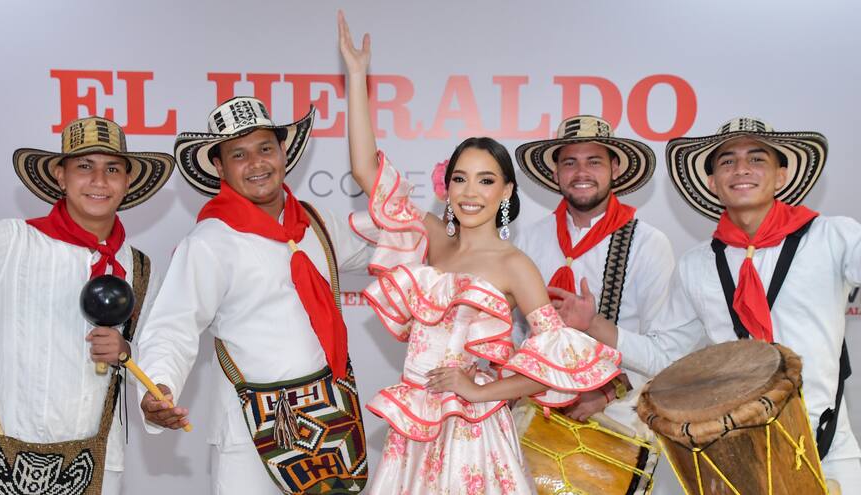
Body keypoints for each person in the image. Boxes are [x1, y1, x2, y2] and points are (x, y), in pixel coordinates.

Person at [339, 12, 622, 493]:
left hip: (475, 435)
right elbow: (368, 172)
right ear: (446, 188)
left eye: (486, 180)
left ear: (506, 191)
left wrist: (480, 389)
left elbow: (552, 367)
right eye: (460, 179)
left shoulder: (516, 265)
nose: (471, 192)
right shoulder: (433, 237)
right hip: (415, 426)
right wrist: (357, 78)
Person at [567, 117, 861, 488]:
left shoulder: (834, 237)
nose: (741, 169)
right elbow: (665, 356)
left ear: (781, 175)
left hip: (829, 452)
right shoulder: (697, 264)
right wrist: (594, 325)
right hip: (734, 457)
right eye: (727, 162)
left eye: (757, 159)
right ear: (712, 182)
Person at [135, 96, 371, 494]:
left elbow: (379, 248)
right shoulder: (210, 242)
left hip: (329, 419)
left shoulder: (313, 222)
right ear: (219, 167)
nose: (257, 163)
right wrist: (158, 387)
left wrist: (439, 230)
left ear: (283, 152)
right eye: (239, 154)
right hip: (251, 432)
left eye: (265, 148)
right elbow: (173, 326)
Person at [0, 116, 173, 494]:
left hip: (98, 462)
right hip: (7, 457)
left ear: (128, 180)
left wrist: (126, 352)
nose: (99, 181)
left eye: (112, 169)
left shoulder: (137, 265)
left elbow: (154, 355)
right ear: (60, 176)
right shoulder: (8, 243)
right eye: (85, 166)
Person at [513, 115, 674, 430]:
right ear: (556, 171)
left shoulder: (647, 243)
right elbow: (516, 331)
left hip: (619, 417)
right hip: (534, 412)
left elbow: (662, 350)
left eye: (594, 162)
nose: (582, 173)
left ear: (615, 168)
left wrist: (612, 388)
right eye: (570, 163)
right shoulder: (531, 239)